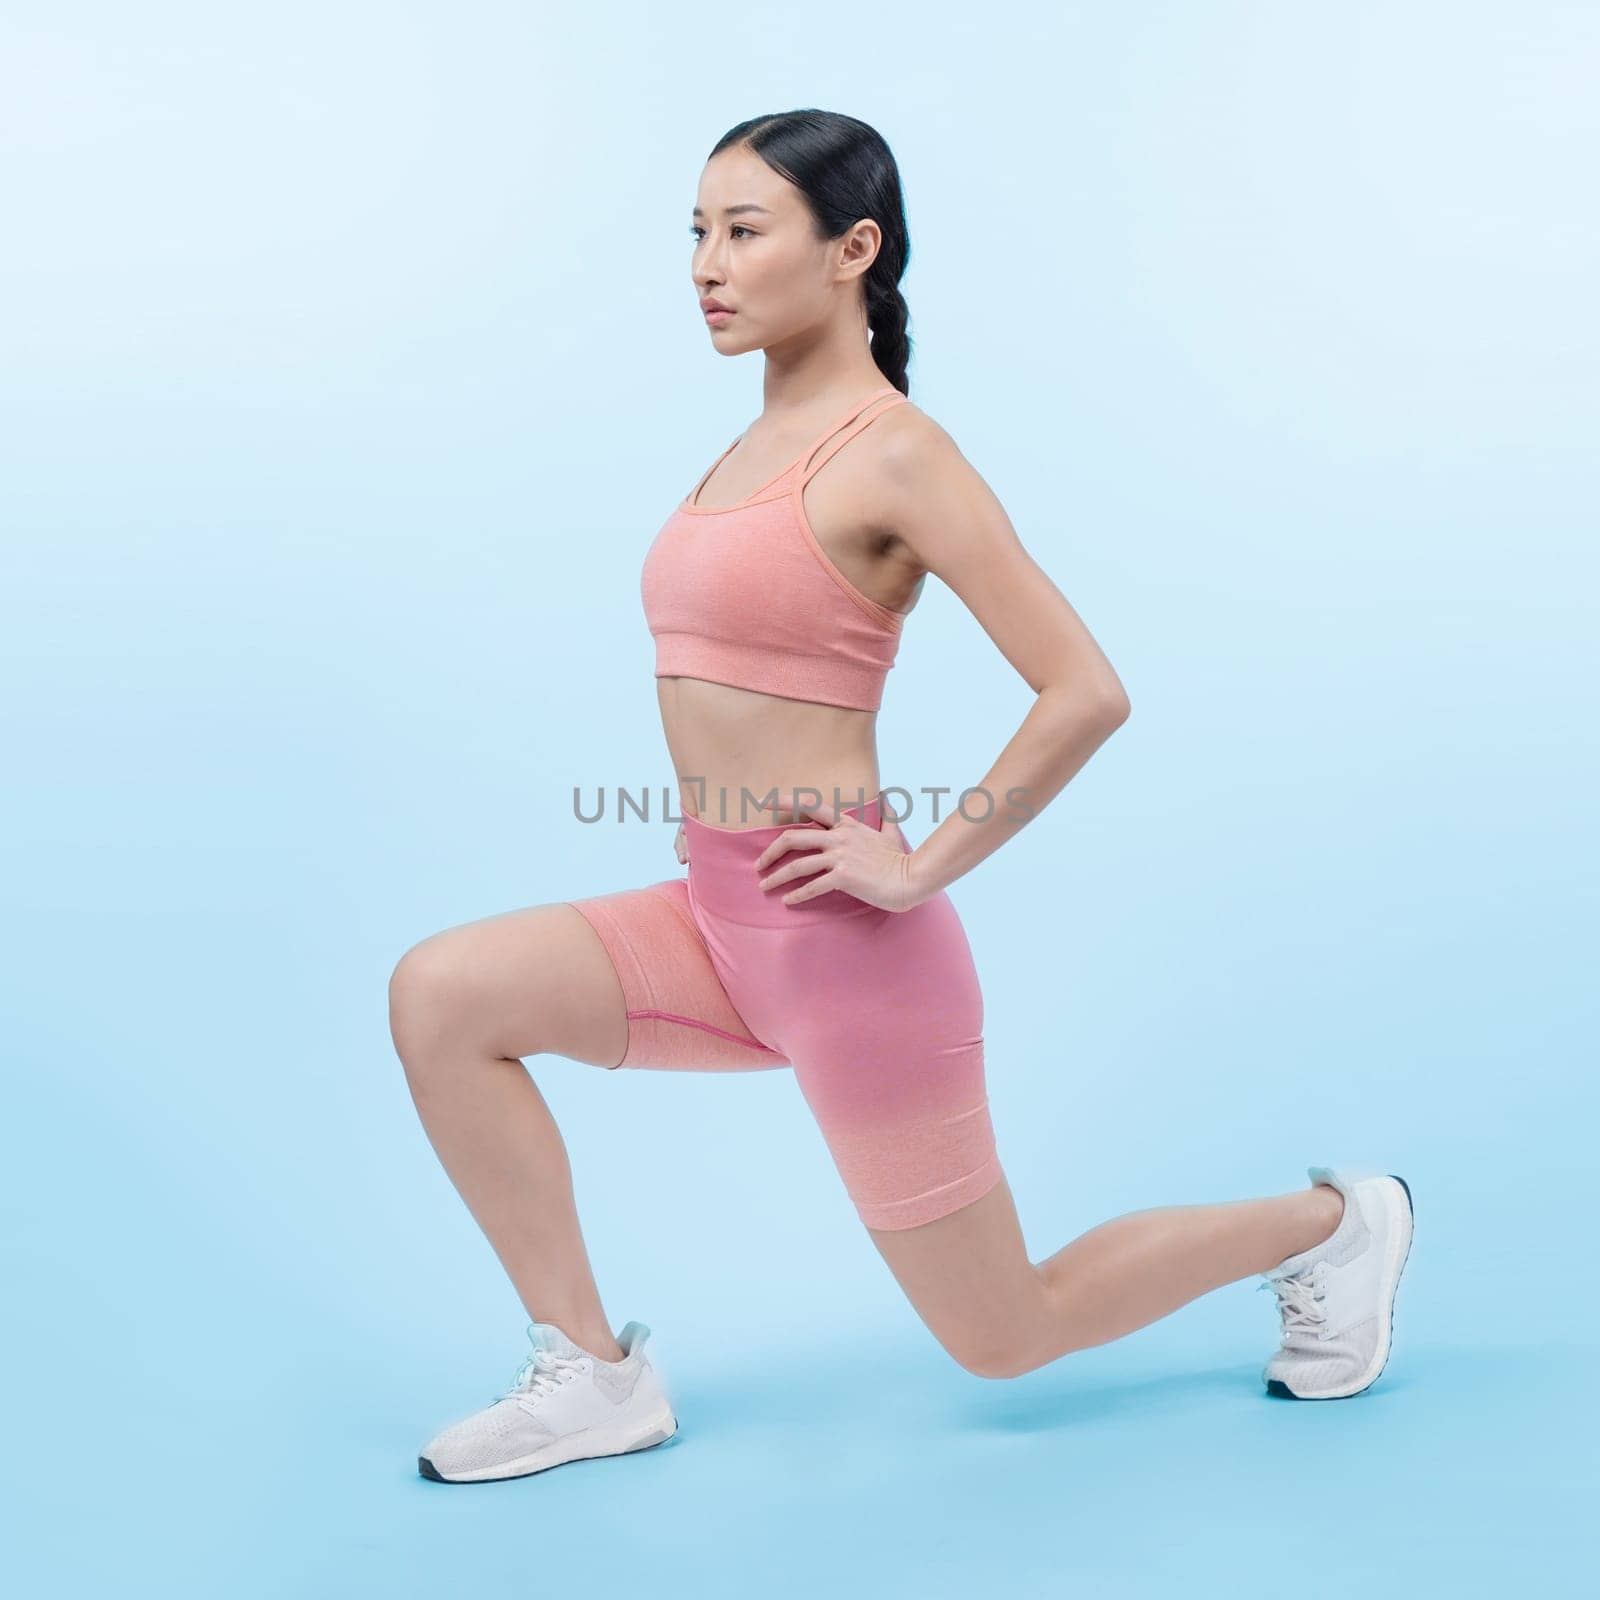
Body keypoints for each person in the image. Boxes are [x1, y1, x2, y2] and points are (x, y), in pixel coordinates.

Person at [388, 109, 1415, 1486]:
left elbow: (1085, 688)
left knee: (1004, 1335)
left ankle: (1332, 1223)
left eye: (744, 231)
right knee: (444, 995)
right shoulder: (748, 446)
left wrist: (922, 866)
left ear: (851, 250)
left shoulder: (892, 451)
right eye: (696, 231)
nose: (707, 262)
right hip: (715, 923)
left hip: (852, 959)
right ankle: (593, 1375)